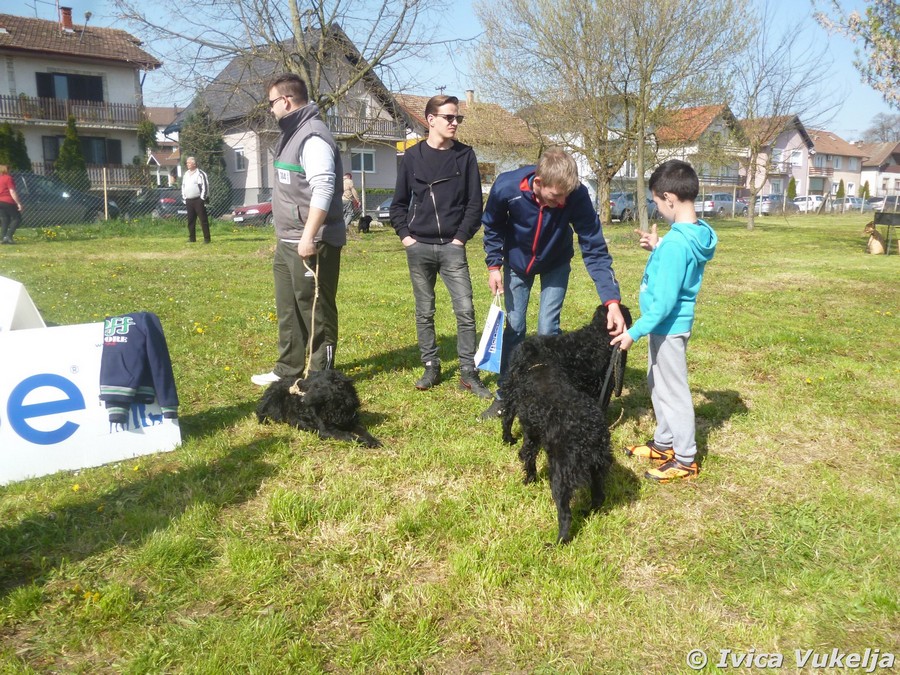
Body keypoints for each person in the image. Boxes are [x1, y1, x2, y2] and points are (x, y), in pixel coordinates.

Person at [480, 147, 626, 419]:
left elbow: (594, 247)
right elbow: (493, 225)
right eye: (556, 196)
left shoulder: (575, 195)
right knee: (515, 326)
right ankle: (505, 395)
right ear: (538, 182)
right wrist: (494, 265)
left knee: (548, 329)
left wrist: (612, 301)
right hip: (517, 263)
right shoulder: (506, 187)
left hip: (556, 262)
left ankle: (547, 393)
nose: (562, 202)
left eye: (566, 196)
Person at [611, 159, 717, 483]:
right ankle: (664, 443)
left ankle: (685, 458)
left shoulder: (676, 244)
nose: (657, 208)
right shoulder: (694, 234)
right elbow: (678, 267)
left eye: (656, 202)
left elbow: (665, 302)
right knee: (658, 384)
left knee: (673, 392)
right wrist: (657, 247)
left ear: (669, 198)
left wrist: (634, 332)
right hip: (666, 327)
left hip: (667, 327)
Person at [390, 94, 491, 398]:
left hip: (452, 248)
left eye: (458, 117)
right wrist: (407, 238)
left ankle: (468, 372)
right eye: (449, 117)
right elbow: (398, 204)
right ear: (431, 120)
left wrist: (460, 239)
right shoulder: (412, 157)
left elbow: (475, 205)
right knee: (425, 311)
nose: (455, 122)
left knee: (465, 310)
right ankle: (431, 366)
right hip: (419, 246)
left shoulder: (465, 156)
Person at [251, 73, 345, 386]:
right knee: (289, 307)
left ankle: (320, 377)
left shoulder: (313, 137)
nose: (271, 109)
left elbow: (324, 188)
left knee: (316, 310)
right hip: (288, 240)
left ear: (286, 100)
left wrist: (308, 236)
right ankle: (287, 369)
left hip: (312, 241)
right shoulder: (291, 134)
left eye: (272, 103)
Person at [181, 156, 211, 243]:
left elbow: (205, 186)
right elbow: (183, 186)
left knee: (203, 220)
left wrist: (202, 199)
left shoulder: (200, 174)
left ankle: (207, 238)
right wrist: (184, 198)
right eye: (187, 163)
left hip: (198, 200)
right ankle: (192, 238)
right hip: (188, 200)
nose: (187, 164)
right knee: (190, 220)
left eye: (189, 163)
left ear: (194, 164)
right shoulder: (186, 174)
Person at [0, 165, 23, 244]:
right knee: (17, 218)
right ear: (6, 170)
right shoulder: (8, 178)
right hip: (8, 201)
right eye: (10, 170)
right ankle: (8, 236)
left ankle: (3, 238)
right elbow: (12, 191)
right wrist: (18, 203)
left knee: (4, 219)